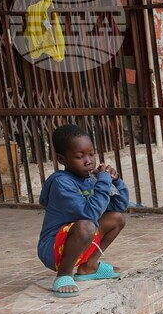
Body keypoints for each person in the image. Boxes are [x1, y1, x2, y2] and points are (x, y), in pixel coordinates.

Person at [38, 124, 129, 297]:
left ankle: (89, 266)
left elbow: (120, 206)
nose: (89, 161)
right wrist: (103, 181)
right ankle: (64, 275)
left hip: (81, 239)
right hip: (53, 249)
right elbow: (89, 214)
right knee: (86, 225)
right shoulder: (61, 183)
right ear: (62, 159)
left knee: (117, 219)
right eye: (80, 156)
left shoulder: (92, 178)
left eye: (91, 154)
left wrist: (116, 181)